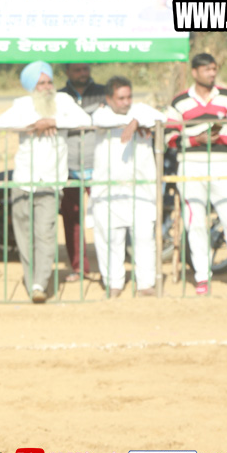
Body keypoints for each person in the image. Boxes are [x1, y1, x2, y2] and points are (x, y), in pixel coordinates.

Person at [0, 61, 90, 303]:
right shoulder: (22, 104)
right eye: (41, 83)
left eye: (49, 82)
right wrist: (33, 125)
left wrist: (54, 122)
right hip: (24, 179)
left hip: (51, 179)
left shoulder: (63, 102)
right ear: (31, 87)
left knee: (45, 234)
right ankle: (32, 282)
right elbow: (1, 123)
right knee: (24, 236)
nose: (47, 87)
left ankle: (40, 283)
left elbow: (85, 120)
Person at [165, 53, 227, 294]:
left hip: (221, 163)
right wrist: (195, 140)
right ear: (194, 72)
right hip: (190, 165)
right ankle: (202, 277)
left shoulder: (226, 97)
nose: (211, 73)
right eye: (207, 69)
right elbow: (169, 137)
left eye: (214, 69)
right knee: (195, 222)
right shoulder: (179, 102)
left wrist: (221, 137)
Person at [90, 76, 165, 297]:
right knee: (110, 240)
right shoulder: (101, 114)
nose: (126, 102)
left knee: (144, 239)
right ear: (109, 99)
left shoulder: (140, 111)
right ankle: (113, 283)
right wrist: (134, 123)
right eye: (121, 98)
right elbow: (101, 120)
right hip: (108, 191)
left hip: (140, 190)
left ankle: (145, 284)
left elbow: (162, 117)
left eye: (129, 97)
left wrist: (136, 122)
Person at [57, 63, 105, 282]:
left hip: (98, 165)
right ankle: (79, 268)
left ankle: (108, 268)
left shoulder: (103, 93)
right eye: (77, 70)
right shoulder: (59, 97)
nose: (82, 74)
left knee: (104, 218)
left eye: (85, 69)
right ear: (67, 72)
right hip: (68, 166)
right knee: (72, 220)